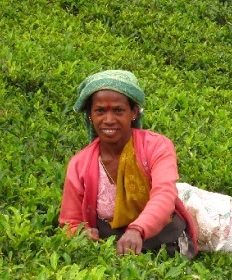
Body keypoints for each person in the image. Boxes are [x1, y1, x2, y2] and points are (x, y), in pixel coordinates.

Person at [59, 70, 198, 258]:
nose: (108, 120)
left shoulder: (156, 146)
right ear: (90, 115)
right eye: (100, 111)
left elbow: (165, 194)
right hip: (112, 246)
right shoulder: (80, 164)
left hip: (163, 241)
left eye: (118, 110)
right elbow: (70, 222)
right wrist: (81, 233)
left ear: (133, 112)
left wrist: (137, 230)